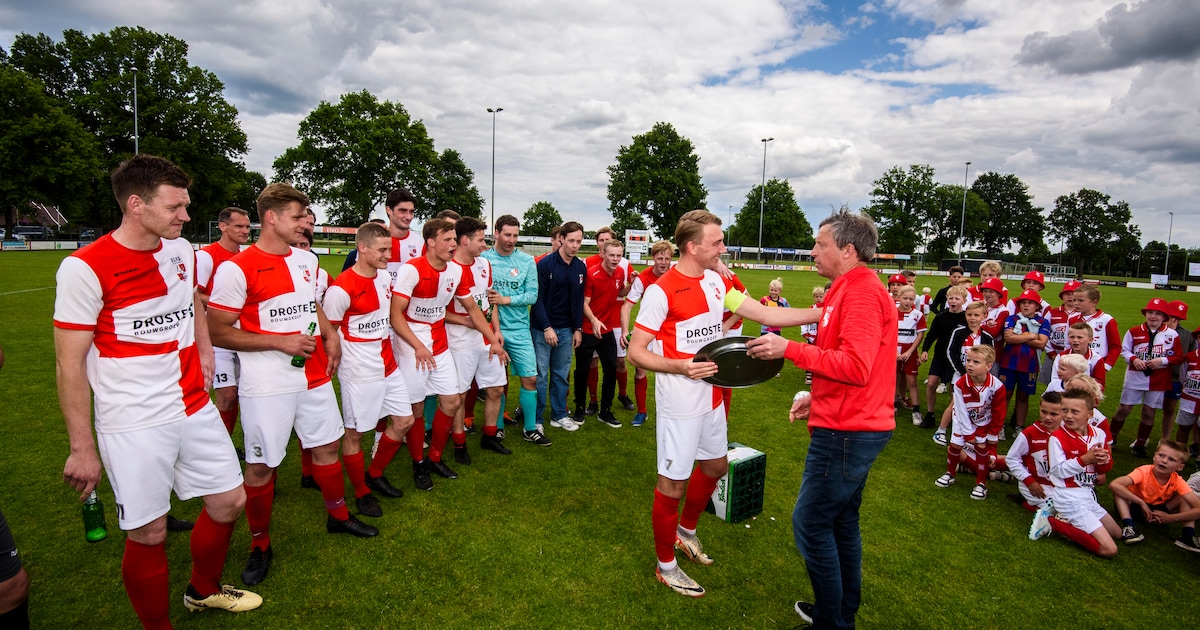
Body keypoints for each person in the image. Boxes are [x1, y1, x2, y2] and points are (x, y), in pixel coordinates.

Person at [55, 155, 262, 626]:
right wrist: (81, 446)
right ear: (135, 204)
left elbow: (191, 300)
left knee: (229, 501)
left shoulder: (182, 251)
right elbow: (68, 364)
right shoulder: (84, 268)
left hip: (192, 402)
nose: (185, 217)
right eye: (175, 207)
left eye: (185, 206)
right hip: (133, 419)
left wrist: (206, 349)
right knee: (149, 531)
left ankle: (203, 591)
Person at [210, 183, 379, 588]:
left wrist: (330, 333)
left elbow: (311, 303)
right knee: (261, 465)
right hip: (266, 383)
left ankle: (337, 516)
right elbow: (216, 330)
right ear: (271, 217)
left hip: (314, 375)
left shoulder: (305, 260)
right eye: (297, 215)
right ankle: (259, 543)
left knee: (325, 446)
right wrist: (277, 341)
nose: (305, 222)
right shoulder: (237, 268)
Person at [742, 209, 896, 629]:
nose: (813, 251)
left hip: (848, 430)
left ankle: (833, 621)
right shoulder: (844, 288)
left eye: (820, 244)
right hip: (850, 418)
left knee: (810, 523)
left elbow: (857, 366)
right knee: (841, 522)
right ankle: (839, 612)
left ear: (847, 250)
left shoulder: (861, 293)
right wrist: (817, 394)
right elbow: (851, 361)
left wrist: (787, 350)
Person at [627, 209, 747, 598]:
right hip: (680, 401)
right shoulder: (661, 291)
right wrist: (680, 366)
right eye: (717, 242)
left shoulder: (715, 280)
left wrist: (826, 312)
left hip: (712, 395)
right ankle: (666, 566)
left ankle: (686, 532)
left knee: (716, 464)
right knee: (672, 486)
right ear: (692, 246)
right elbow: (635, 353)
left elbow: (756, 311)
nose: (723, 248)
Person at [390, 218, 505, 486]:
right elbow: (396, 315)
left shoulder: (455, 271)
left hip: (439, 344)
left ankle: (436, 457)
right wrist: (417, 345)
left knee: (452, 401)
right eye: (448, 240)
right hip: (413, 346)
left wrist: (493, 340)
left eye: (455, 239)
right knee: (416, 408)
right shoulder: (411, 270)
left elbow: (474, 310)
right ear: (430, 242)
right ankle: (419, 464)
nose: (453, 244)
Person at [321, 222, 416, 517]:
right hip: (358, 369)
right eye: (383, 249)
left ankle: (374, 473)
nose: (389, 255)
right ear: (362, 248)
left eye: (390, 248)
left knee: (404, 420)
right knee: (355, 433)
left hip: (387, 362)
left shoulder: (386, 278)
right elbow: (330, 333)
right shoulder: (340, 289)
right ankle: (361, 491)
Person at [446, 217, 512, 459]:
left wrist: (496, 330)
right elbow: (439, 310)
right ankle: (459, 444)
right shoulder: (448, 268)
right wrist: (465, 321)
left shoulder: (484, 264)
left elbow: (489, 301)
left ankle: (489, 436)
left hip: (487, 339)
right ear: (465, 240)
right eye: (481, 239)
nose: (484, 245)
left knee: (496, 389)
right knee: (460, 396)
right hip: (460, 342)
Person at [483, 215, 551, 447]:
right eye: (507, 234)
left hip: (520, 329)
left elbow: (532, 295)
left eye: (515, 235)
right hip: (490, 330)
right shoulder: (484, 259)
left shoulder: (526, 261)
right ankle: (498, 427)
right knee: (496, 383)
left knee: (530, 378)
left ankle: (530, 428)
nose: (512, 239)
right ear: (497, 232)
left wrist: (505, 299)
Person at [1033, 386, 1120, 558]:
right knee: (1110, 550)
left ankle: (1064, 520)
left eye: (1075, 411)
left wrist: (1104, 461)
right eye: (1064, 410)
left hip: (1087, 495)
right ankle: (1051, 522)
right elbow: (1057, 471)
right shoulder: (1056, 437)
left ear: (1090, 414)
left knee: (1117, 534)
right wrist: (1085, 459)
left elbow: (1104, 468)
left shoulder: (1099, 434)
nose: (1068, 416)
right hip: (1068, 497)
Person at [196, 207, 252, 439]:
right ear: (222, 226)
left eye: (248, 227)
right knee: (227, 395)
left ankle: (227, 445)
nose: (245, 231)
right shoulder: (207, 256)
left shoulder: (246, 257)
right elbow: (193, 295)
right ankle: (219, 447)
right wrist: (226, 304)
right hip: (217, 337)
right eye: (239, 226)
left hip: (243, 335)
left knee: (242, 395)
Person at [530, 221, 586, 432]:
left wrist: (578, 328)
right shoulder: (545, 265)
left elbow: (578, 300)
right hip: (542, 329)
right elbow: (537, 299)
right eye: (571, 240)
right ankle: (536, 418)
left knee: (561, 374)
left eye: (578, 241)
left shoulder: (580, 267)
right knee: (540, 375)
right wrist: (546, 327)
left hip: (566, 329)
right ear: (561, 238)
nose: (574, 245)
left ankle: (559, 415)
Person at [1111, 298, 1183, 457]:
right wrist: (1134, 359)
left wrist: (1161, 361)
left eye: (1158, 313)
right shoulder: (1134, 331)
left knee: (1149, 412)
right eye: (1150, 312)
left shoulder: (1172, 335)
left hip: (1158, 379)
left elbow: (1178, 357)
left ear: (1164, 316)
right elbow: (1124, 351)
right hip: (1135, 376)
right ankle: (1112, 439)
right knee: (1124, 408)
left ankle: (1140, 444)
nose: (1153, 316)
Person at [935, 346, 1007, 500]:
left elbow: (999, 412)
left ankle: (981, 483)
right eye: (968, 360)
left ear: (989, 366)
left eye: (976, 362)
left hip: (983, 422)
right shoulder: (961, 384)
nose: (969, 364)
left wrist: (993, 433)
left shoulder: (997, 386)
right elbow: (960, 409)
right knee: (955, 445)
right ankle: (950, 473)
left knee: (982, 447)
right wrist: (968, 433)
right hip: (962, 421)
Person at [620, 239, 674, 427]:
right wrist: (625, 331)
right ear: (653, 258)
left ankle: (672, 411)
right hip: (649, 329)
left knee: (672, 371)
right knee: (640, 369)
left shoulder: (677, 275)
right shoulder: (643, 278)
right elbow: (627, 306)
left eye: (667, 258)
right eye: (660, 258)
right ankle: (642, 411)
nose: (664, 262)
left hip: (671, 331)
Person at [1110, 440, 1200, 551]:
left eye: (1171, 459)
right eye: (1161, 455)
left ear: (1180, 467)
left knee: (1185, 496)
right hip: (1134, 507)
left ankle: (1187, 535)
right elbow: (1114, 484)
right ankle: (1129, 526)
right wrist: (1141, 502)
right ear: (1154, 456)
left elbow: (1198, 509)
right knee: (1120, 491)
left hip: (1159, 511)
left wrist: (1171, 518)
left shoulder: (1177, 480)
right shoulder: (1143, 471)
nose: (1164, 461)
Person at [575, 238, 628, 428]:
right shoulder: (592, 274)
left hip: (607, 332)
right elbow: (584, 303)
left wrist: (632, 284)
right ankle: (580, 407)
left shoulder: (621, 272)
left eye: (619, 256)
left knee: (611, 369)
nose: (615, 259)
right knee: (582, 370)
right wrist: (594, 319)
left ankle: (605, 411)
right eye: (612, 255)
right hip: (588, 330)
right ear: (603, 254)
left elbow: (621, 293)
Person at [583, 227, 634, 414]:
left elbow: (627, 287)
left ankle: (622, 394)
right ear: (598, 244)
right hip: (593, 320)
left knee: (619, 362)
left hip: (616, 320)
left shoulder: (624, 264)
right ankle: (593, 400)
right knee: (592, 362)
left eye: (608, 239)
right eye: (601, 240)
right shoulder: (588, 263)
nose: (604, 243)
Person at [931, 300, 993, 445]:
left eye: (976, 315)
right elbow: (950, 352)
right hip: (960, 376)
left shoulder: (987, 337)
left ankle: (969, 431)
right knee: (955, 403)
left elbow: (990, 357)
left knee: (976, 404)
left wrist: (981, 374)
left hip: (979, 378)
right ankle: (941, 431)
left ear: (984, 316)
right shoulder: (958, 332)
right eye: (969, 315)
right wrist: (961, 371)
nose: (972, 318)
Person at [999, 290, 1050, 432]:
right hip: (1009, 363)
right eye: (1023, 303)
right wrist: (1032, 336)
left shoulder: (1043, 322)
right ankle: (1000, 425)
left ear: (1037, 307)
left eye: (1030, 303)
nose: (1026, 306)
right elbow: (1008, 338)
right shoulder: (1012, 319)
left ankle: (1019, 427)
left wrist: (1019, 336)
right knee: (1005, 394)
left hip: (1030, 365)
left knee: (1023, 396)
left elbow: (1041, 344)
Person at [920, 285, 969, 429]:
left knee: (954, 389)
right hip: (940, 356)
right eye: (951, 298)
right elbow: (931, 335)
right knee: (931, 384)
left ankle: (953, 417)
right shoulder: (941, 317)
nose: (953, 301)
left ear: (964, 300)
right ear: (947, 299)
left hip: (955, 359)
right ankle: (930, 414)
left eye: (957, 298)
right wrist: (924, 350)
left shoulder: (966, 318)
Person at [1005, 391, 1063, 511]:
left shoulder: (1068, 433)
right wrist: (1029, 481)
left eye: (1053, 414)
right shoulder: (1029, 433)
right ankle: (1026, 502)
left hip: (1060, 486)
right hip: (1036, 485)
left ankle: (1026, 502)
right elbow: (1011, 458)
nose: (1047, 417)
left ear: (1064, 412)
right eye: (1044, 412)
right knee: (1060, 511)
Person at [1161, 301, 1196, 441]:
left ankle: (1165, 439)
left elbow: (1192, 359)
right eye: (1171, 316)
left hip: (1175, 379)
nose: (1173, 320)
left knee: (1169, 409)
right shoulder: (1157, 331)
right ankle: (1142, 438)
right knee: (1149, 408)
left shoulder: (1188, 336)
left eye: (1177, 318)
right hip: (1155, 376)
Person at [1039, 280, 1081, 386]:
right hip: (1053, 354)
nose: (1070, 297)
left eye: (1073, 294)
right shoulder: (1052, 313)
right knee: (1051, 383)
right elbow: (1044, 333)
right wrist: (1051, 352)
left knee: (1073, 384)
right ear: (1062, 296)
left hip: (1075, 356)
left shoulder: (1082, 314)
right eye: (1067, 294)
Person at [895, 285, 926, 425]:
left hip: (910, 351)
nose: (907, 301)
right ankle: (892, 405)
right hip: (894, 350)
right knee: (893, 379)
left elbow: (920, 334)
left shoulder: (917, 314)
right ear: (899, 297)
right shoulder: (892, 311)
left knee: (912, 381)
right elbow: (887, 333)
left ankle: (916, 411)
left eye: (911, 299)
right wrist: (894, 351)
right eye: (905, 298)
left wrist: (910, 351)